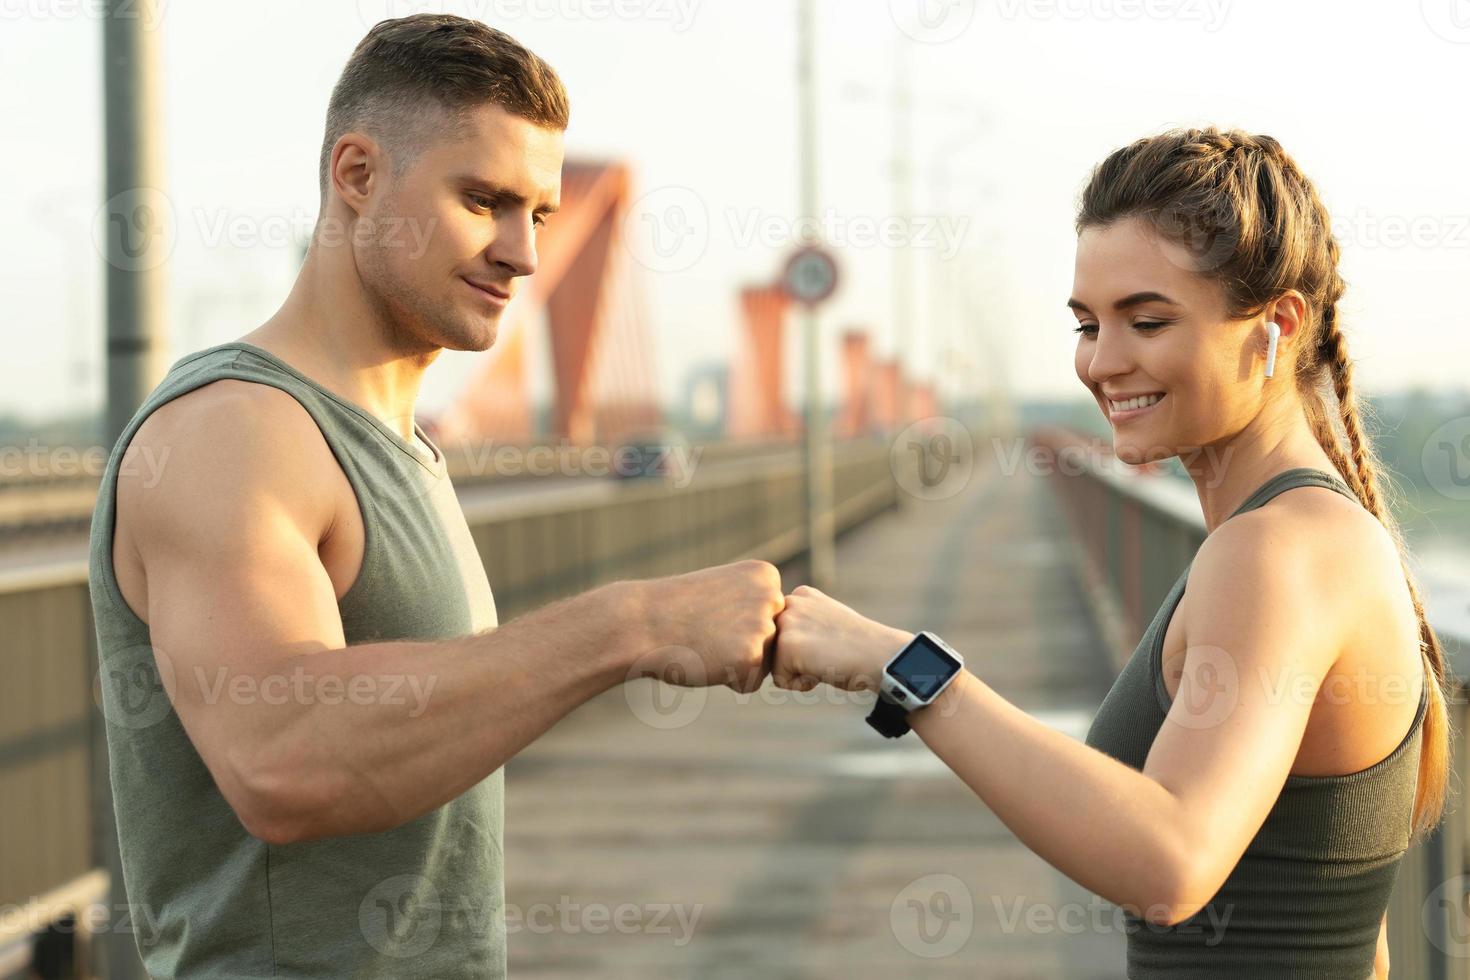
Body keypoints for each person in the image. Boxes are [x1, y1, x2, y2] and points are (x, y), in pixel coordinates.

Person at [88, 15, 782, 978]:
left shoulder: (397, 445)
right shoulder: (234, 432)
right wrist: (637, 623)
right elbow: (280, 758)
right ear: (358, 175)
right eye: (483, 200)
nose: (525, 254)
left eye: (540, 213)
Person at [770, 127, 1451, 979]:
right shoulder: (1300, 535)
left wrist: (898, 665)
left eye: (1149, 320)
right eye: (1088, 323)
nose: (1102, 361)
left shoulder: (1273, 552)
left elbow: (1170, 860)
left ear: (1277, 324)